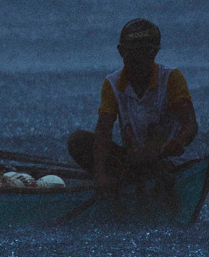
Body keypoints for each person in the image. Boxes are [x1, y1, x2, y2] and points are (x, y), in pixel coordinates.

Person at [67, 18, 198, 196]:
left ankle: (134, 181)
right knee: (78, 141)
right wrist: (101, 175)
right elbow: (103, 132)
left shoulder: (171, 78)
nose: (138, 62)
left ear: (154, 54)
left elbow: (190, 125)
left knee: (146, 159)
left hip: (166, 161)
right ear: (121, 52)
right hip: (132, 160)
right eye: (133, 55)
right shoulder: (112, 84)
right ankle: (119, 182)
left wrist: (177, 142)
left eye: (145, 54)